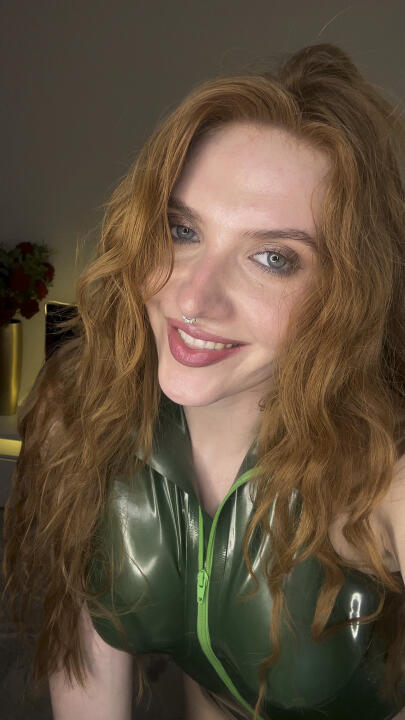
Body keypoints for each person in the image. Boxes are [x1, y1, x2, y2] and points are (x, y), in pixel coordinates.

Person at [2, 42, 405, 720]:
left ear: (349, 291)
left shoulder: (382, 474)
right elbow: (86, 671)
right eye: (182, 229)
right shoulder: (86, 413)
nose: (192, 297)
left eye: (273, 257)